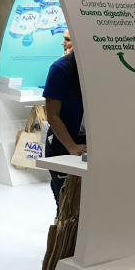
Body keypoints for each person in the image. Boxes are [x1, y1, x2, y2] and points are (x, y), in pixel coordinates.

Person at [43, 51, 87, 209]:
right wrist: (71, 146)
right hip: (64, 140)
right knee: (66, 203)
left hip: (91, 139)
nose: (64, 43)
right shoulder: (60, 69)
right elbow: (52, 115)